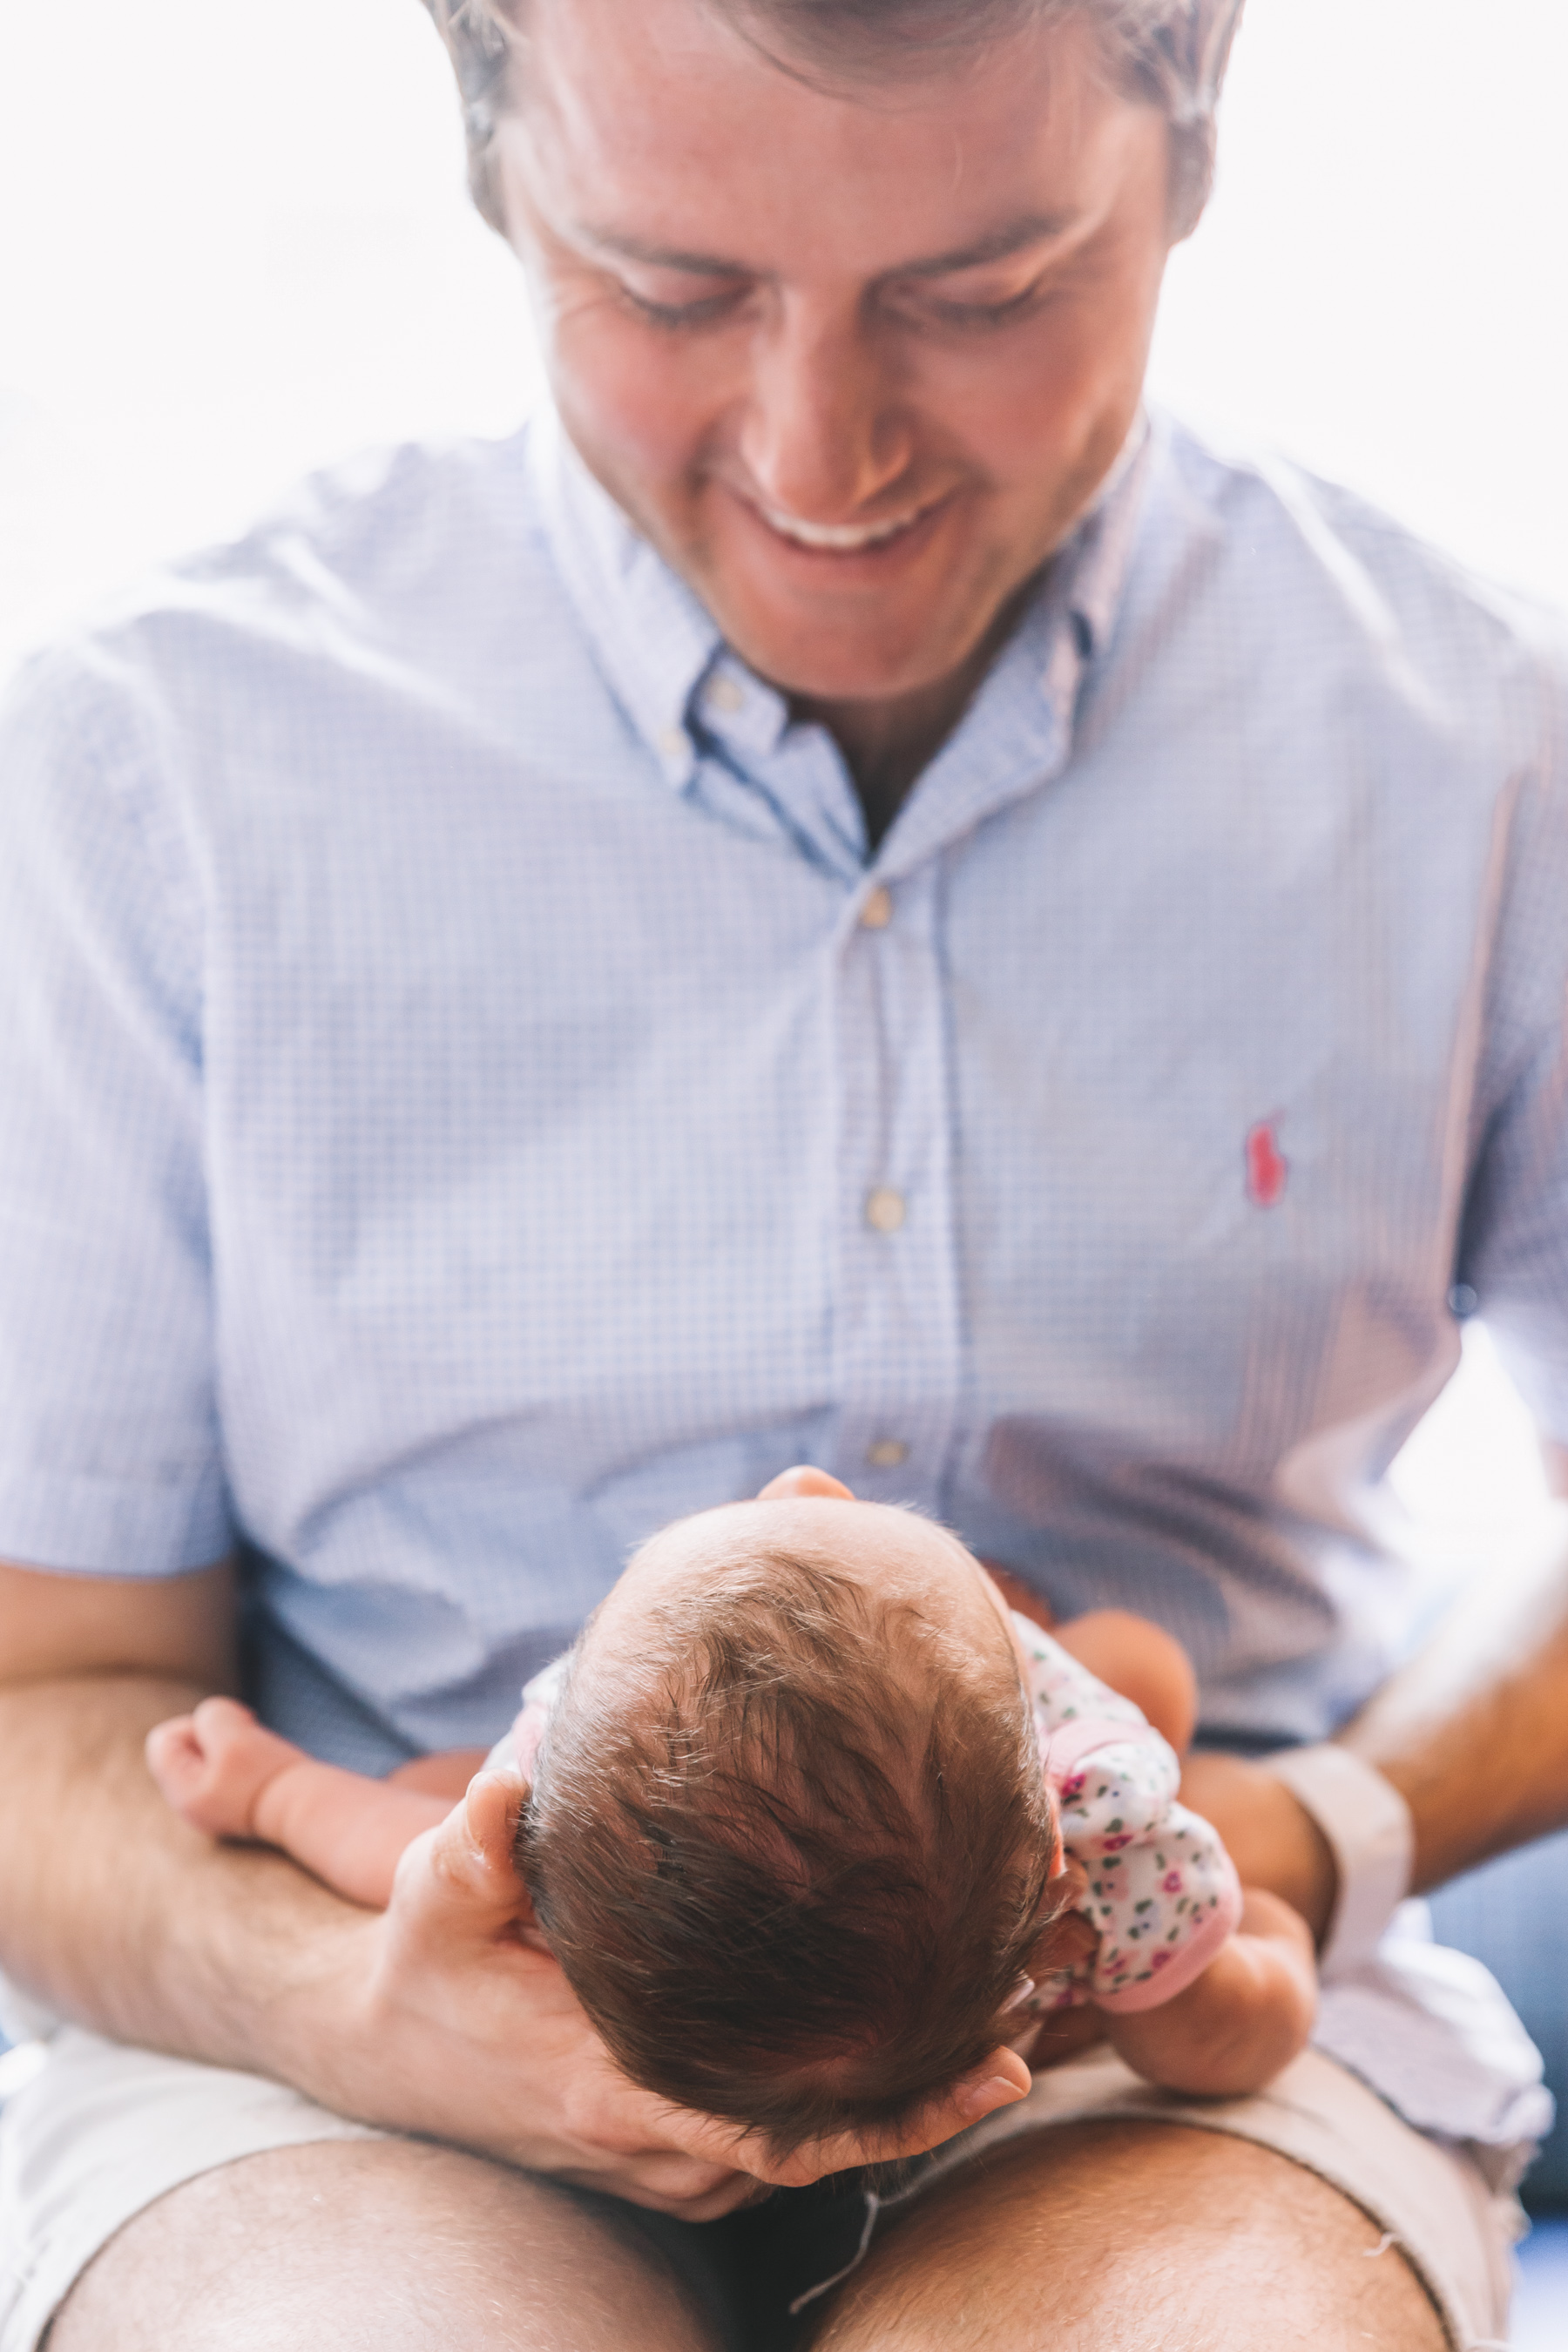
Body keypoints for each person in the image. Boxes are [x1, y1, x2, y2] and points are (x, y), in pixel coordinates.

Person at [1, 0, 1566, 2344]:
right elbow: (56, 1691)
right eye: (670, 288)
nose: (819, 453)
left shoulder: (1479, 755)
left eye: (988, 290)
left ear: (1197, 122)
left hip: (1144, 2069)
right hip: (333, 2064)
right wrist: (347, 1996)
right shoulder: (150, 766)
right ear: (495, 163)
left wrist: (1314, 1827)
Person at [145, 1489, 1314, 2134]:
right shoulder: (1111, 1872)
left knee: (418, 1797)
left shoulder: (555, 1862)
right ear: (1050, 1850)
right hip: (1019, 2003)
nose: (804, 1483)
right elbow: (1219, 2054)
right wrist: (1241, 1956)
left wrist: (274, 1789)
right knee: (1139, 1666)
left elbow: (394, 1853)